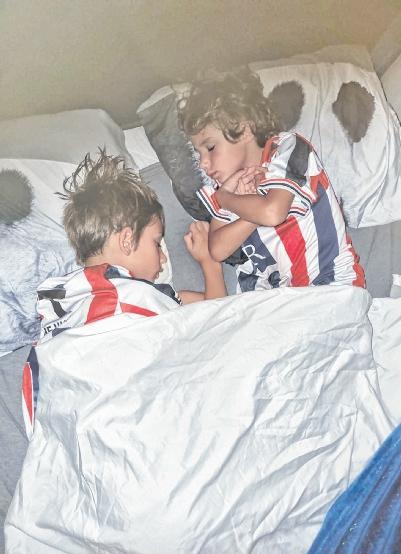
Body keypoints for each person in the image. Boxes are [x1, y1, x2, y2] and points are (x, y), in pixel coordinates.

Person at [178, 68, 365, 292]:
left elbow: (272, 212)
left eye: (210, 147)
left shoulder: (288, 149)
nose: (203, 163)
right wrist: (243, 206)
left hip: (331, 284)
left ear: (245, 130)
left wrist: (226, 199)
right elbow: (217, 249)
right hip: (279, 298)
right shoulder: (230, 187)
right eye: (198, 153)